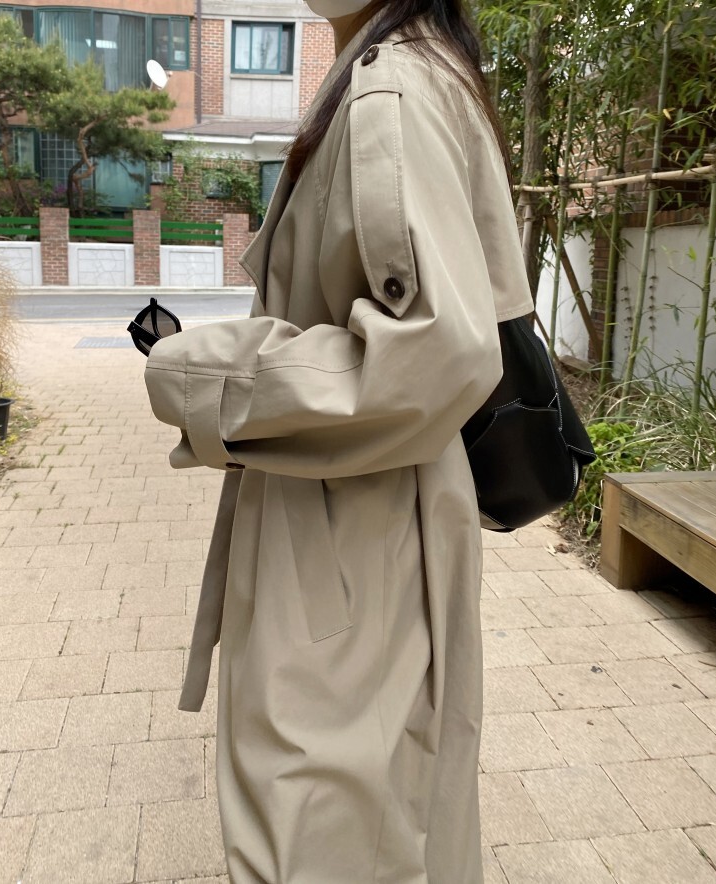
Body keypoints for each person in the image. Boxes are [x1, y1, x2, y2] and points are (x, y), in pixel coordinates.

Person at [143, 1, 534, 880]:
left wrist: (201, 375)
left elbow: (435, 351)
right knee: (374, 817)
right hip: (359, 513)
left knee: (322, 830)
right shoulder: (408, 69)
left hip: (353, 528)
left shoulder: (390, 89)